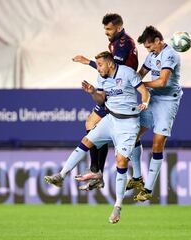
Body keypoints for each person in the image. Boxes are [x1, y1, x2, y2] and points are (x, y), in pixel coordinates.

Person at [44, 51, 150, 223]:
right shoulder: (101, 78)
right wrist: (93, 92)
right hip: (111, 119)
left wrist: (144, 102)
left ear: (109, 63)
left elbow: (144, 92)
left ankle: (117, 207)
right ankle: (61, 176)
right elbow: (101, 101)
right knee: (86, 140)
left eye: (100, 64)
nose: (98, 68)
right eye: (97, 65)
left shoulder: (127, 73)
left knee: (121, 162)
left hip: (128, 124)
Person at [72, 13, 138, 191]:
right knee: (91, 124)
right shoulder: (116, 42)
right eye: (105, 29)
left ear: (118, 27)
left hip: (120, 93)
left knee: (93, 124)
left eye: (108, 29)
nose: (106, 32)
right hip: (116, 89)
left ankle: (97, 171)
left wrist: (88, 62)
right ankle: (97, 171)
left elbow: (111, 69)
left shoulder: (123, 44)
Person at [126, 26, 182, 202]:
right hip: (153, 100)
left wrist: (142, 86)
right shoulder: (152, 56)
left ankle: (148, 189)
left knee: (157, 143)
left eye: (150, 46)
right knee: (133, 134)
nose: (149, 50)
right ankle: (136, 178)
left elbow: (163, 81)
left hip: (167, 102)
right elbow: (140, 74)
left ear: (158, 40)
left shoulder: (170, 55)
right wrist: (129, 80)